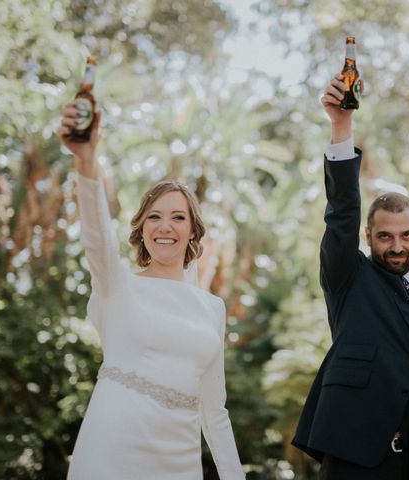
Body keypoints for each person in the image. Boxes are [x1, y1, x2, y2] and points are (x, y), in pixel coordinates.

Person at [292, 73, 409, 479]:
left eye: (406, 235)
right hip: (354, 463)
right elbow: (341, 208)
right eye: (385, 237)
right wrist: (342, 127)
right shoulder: (349, 278)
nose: (397, 246)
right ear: (368, 236)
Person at [57, 103, 245, 480]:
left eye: (178, 217)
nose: (165, 227)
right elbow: (97, 237)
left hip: (180, 462)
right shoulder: (118, 286)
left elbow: (215, 411)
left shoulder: (212, 308)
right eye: (154, 217)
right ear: (142, 228)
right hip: (112, 450)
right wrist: (86, 162)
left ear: (192, 230)